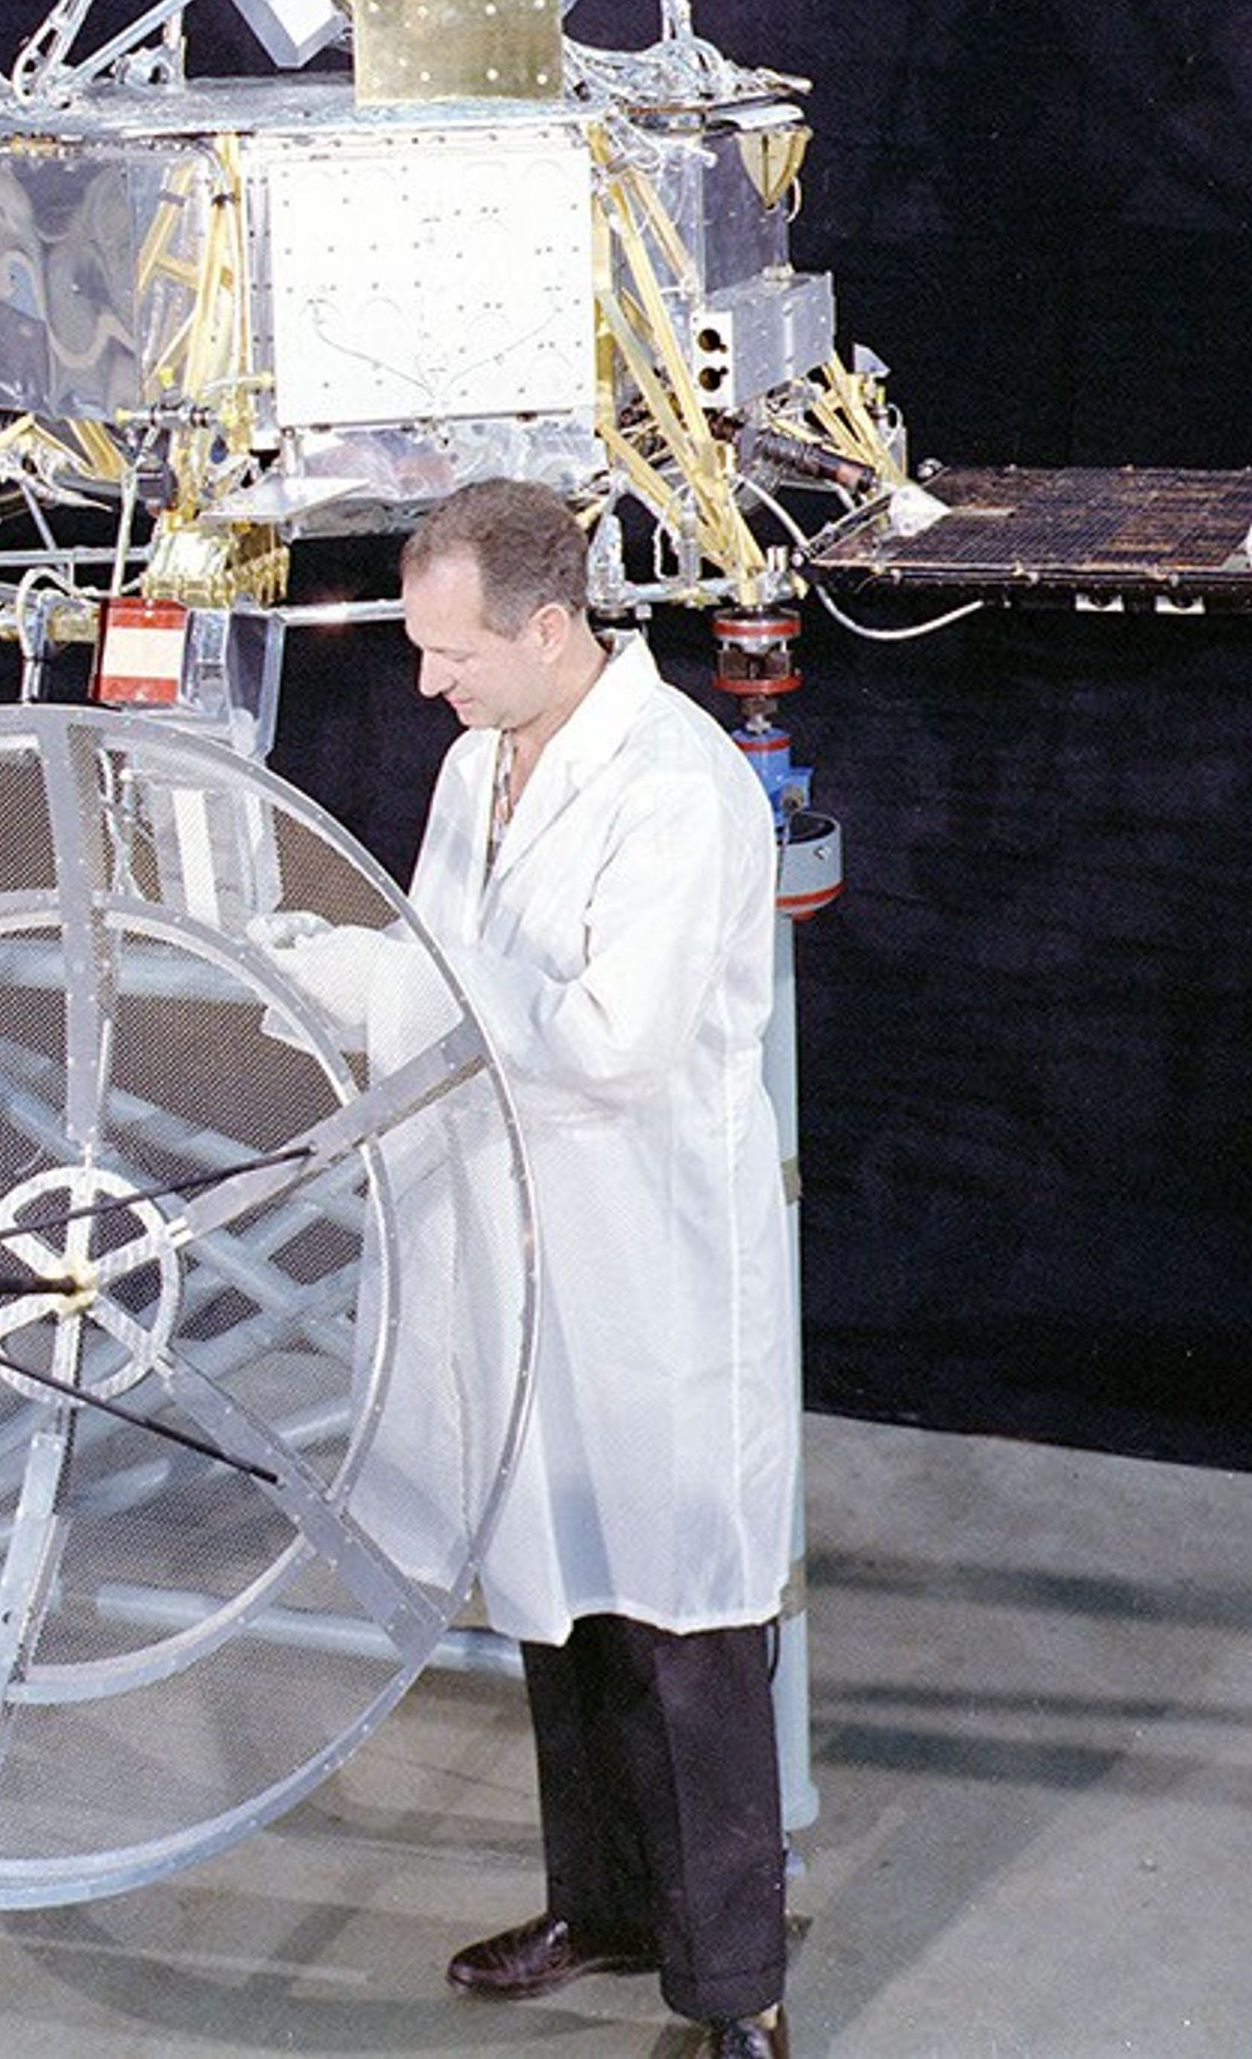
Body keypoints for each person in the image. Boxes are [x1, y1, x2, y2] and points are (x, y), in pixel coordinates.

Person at [285, 477, 799, 2059]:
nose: (426, 680)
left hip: (648, 1261)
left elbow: (608, 1043)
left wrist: (384, 981)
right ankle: (605, 1904)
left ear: (555, 624)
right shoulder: (475, 763)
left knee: (683, 1626)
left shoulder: (678, 788)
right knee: (558, 1596)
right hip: (515, 1241)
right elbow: (444, 974)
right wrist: (338, 988)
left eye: (453, 651)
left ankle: (736, 1995)